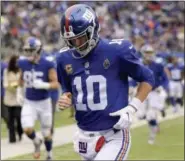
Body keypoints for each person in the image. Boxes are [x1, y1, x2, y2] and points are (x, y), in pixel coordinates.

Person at [56, 4, 154, 160]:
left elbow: (147, 78)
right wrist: (66, 97)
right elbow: (69, 91)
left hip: (113, 135)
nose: (76, 44)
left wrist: (132, 107)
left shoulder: (117, 51)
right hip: (84, 137)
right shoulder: (64, 58)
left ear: (93, 30)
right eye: (71, 40)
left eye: (80, 37)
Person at [16, 37, 59, 160]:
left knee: (46, 133)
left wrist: (44, 85)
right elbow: (20, 79)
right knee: (27, 128)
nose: (28, 53)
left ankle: (49, 154)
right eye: (27, 50)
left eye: (31, 50)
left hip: (44, 102)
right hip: (29, 102)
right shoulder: (23, 63)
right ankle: (36, 141)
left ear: (38, 51)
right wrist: (19, 92)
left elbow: (56, 84)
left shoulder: (47, 64)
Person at [137, 44, 169, 144]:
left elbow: (165, 79)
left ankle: (152, 136)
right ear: (143, 53)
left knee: (151, 115)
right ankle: (159, 110)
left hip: (154, 92)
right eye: (147, 53)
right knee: (140, 115)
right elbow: (134, 78)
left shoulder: (158, 65)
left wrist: (162, 86)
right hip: (142, 92)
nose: (149, 55)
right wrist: (131, 86)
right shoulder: (139, 65)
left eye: (150, 53)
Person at [3, 55, 23, 143]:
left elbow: (23, 83)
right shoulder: (6, 71)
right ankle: (12, 138)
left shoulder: (21, 71)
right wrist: (16, 85)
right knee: (10, 119)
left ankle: (20, 131)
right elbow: (5, 84)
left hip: (19, 99)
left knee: (19, 117)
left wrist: (16, 85)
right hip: (9, 99)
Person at [1, 59, 9, 129]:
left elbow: (7, 77)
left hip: (2, 94)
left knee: (4, 113)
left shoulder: (3, 65)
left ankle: (12, 127)